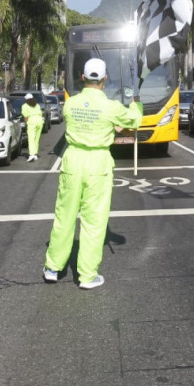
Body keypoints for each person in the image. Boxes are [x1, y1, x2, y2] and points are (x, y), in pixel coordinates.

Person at [43, 58, 142, 290]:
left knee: (64, 216)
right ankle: (87, 276)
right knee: (94, 221)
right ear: (105, 79)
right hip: (98, 163)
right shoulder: (111, 107)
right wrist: (136, 104)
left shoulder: (70, 104)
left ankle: (52, 268)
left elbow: (80, 120)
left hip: (72, 160)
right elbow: (135, 121)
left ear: (83, 78)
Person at [21, 92, 45, 162]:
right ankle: (35, 154)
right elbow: (41, 113)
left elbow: (25, 116)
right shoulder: (37, 105)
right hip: (40, 121)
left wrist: (26, 124)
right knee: (36, 139)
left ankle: (31, 155)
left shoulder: (25, 106)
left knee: (31, 139)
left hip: (32, 121)